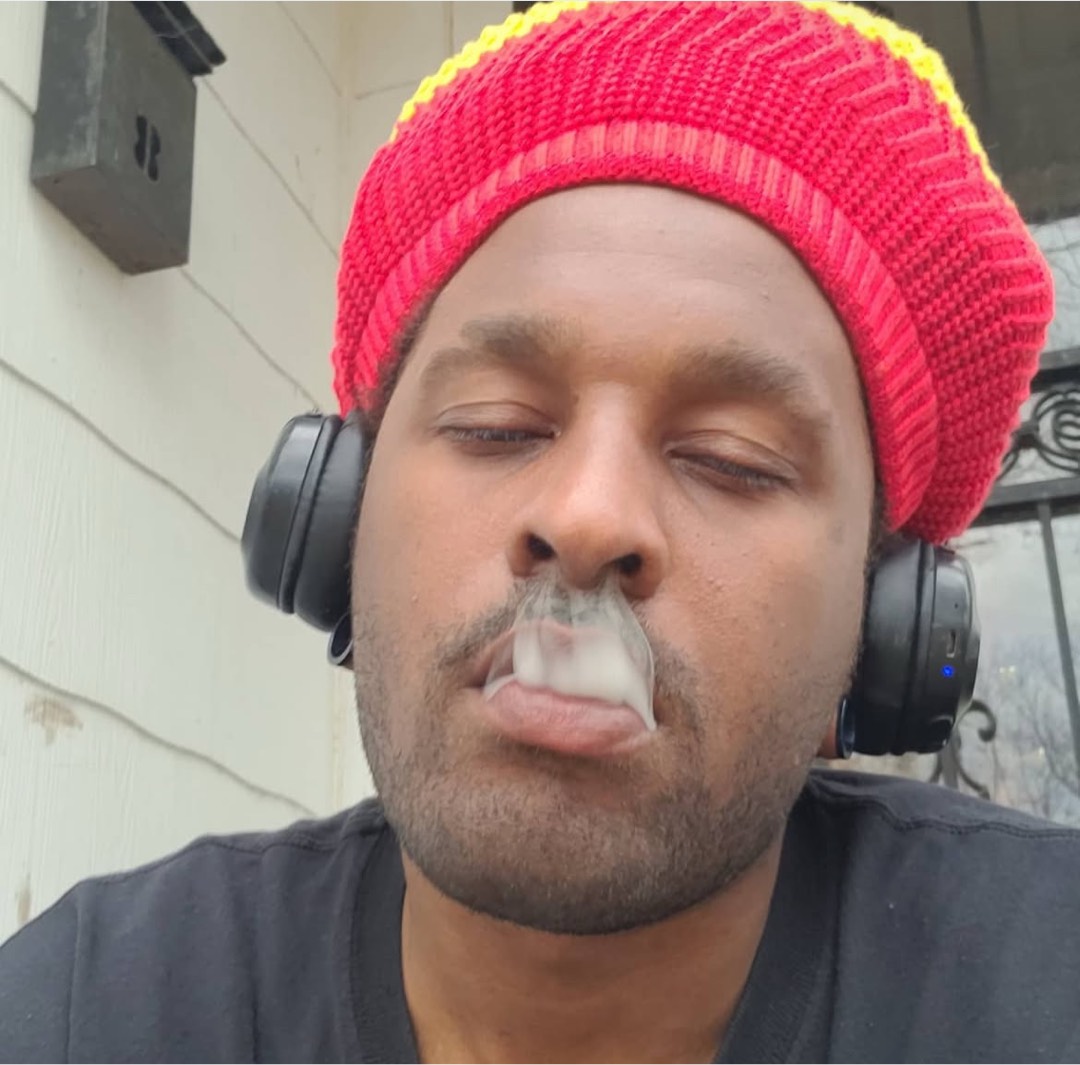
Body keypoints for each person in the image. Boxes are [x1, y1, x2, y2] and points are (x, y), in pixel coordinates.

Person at [0, 1, 1073, 1061]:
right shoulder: (85, 1009)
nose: (588, 515)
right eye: (497, 425)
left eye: (732, 458)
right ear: (332, 528)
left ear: (881, 628)